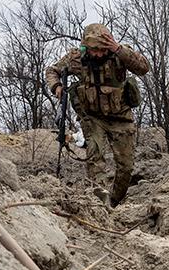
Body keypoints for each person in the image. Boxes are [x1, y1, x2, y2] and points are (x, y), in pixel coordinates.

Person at [44, 23, 149, 206]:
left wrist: (118, 49)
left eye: (102, 49)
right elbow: (52, 71)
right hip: (93, 118)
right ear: (86, 47)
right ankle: (101, 203)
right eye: (94, 50)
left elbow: (143, 68)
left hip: (121, 117)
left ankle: (113, 201)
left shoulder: (120, 54)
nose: (98, 54)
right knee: (95, 158)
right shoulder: (76, 58)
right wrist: (57, 86)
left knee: (126, 167)